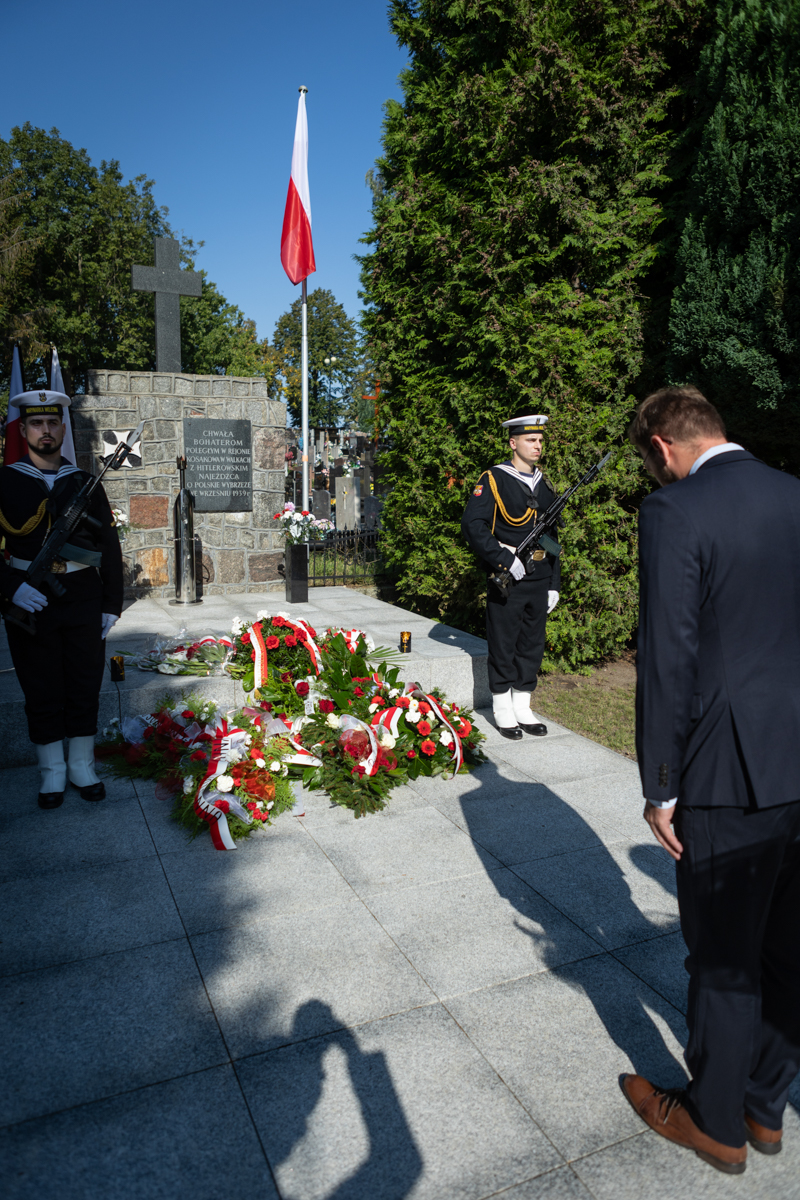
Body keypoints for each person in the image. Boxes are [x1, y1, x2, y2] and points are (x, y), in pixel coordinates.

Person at [623, 385, 800, 1175]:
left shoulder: (676, 512)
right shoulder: (793, 493)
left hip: (728, 770)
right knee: (788, 947)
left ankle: (716, 1121)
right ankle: (767, 1108)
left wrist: (660, 785)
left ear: (662, 447)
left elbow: (668, 656)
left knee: (725, 954)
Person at [0, 389, 123, 809]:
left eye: (53, 422)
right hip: (28, 594)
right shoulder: (6, 480)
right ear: (23, 429)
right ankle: (51, 771)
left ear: (62, 429)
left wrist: (111, 603)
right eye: (37, 423)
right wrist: (10, 587)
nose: (46, 430)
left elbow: (109, 543)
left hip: (82, 594)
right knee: (40, 683)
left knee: (85, 681)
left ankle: (81, 765)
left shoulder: (84, 481)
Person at [461, 415, 560, 738]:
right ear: (513, 442)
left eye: (540, 441)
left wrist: (554, 583)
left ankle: (523, 705)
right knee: (504, 642)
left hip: (538, 578)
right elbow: (473, 527)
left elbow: (552, 539)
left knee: (532, 643)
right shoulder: (494, 479)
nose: (537, 446)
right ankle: (503, 707)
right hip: (508, 578)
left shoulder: (544, 485)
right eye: (531, 440)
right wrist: (504, 560)